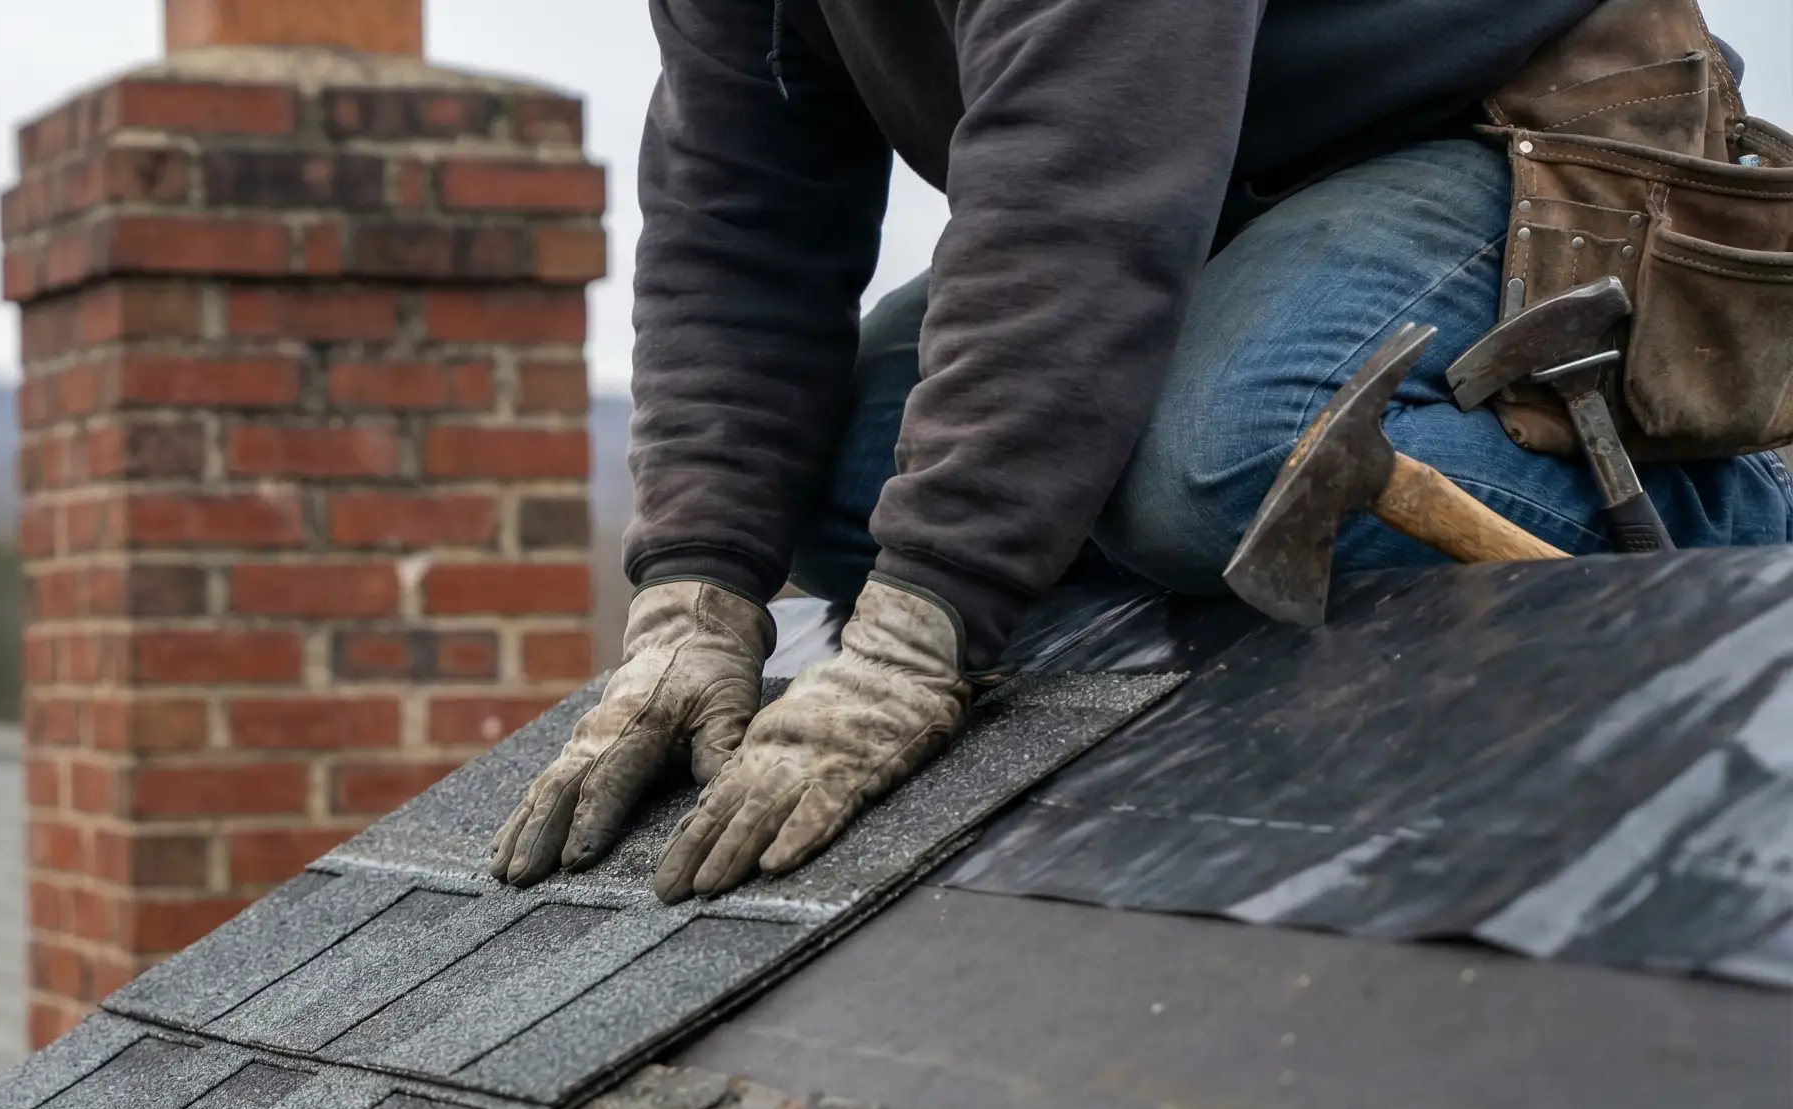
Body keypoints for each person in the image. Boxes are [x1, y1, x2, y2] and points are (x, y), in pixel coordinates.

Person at [492, 0, 1793, 903]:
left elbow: (1074, 191)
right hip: (1210, 178)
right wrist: (697, 594)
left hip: (1509, 130)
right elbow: (740, 230)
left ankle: (1744, 516)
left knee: (1228, 471)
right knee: (842, 491)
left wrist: (919, 637)